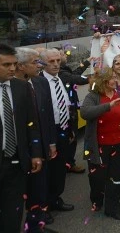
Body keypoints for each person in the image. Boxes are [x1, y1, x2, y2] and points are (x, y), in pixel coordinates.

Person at [0, 44, 42, 233]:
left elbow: (31, 123)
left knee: (12, 215)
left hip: (16, 163)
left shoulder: (22, 87)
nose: (12, 69)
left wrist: (35, 154)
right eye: (6, 64)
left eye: (14, 64)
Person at [81, 67, 120, 220]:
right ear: (104, 81)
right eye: (112, 77)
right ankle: (97, 200)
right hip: (99, 146)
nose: (115, 79)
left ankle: (113, 206)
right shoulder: (93, 96)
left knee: (117, 176)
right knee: (97, 177)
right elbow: (85, 113)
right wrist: (108, 106)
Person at [15, 48, 57, 231]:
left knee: (39, 187)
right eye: (35, 62)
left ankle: (37, 218)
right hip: (18, 150)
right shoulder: (10, 88)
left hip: (40, 146)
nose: (39, 66)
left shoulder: (40, 82)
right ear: (21, 66)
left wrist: (51, 142)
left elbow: (47, 115)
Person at [40, 49, 76, 213]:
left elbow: (65, 103)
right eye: (51, 62)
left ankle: (56, 199)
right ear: (42, 63)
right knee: (47, 171)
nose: (55, 64)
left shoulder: (60, 77)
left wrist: (69, 129)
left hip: (64, 127)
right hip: (49, 131)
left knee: (60, 168)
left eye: (57, 60)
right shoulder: (38, 81)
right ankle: (44, 206)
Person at [57, 47, 89, 175]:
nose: (65, 55)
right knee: (71, 137)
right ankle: (69, 164)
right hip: (67, 112)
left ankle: (67, 163)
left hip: (71, 109)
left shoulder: (64, 71)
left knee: (71, 137)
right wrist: (94, 79)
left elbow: (74, 74)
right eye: (62, 54)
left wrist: (87, 62)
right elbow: (76, 78)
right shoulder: (62, 73)